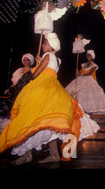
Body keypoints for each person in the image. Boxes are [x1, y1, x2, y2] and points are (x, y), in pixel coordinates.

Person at [0, 33, 99, 165]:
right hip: (55, 88)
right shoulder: (58, 60)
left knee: (30, 119)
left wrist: (38, 63)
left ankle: (26, 155)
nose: (42, 44)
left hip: (42, 87)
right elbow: (50, 70)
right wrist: (41, 62)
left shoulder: (48, 55)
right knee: (50, 123)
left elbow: (35, 75)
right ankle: (53, 154)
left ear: (50, 45)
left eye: (45, 43)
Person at [65, 50, 105, 114]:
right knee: (76, 91)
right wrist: (78, 72)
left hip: (89, 80)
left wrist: (80, 74)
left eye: (89, 55)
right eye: (87, 55)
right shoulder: (84, 65)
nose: (88, 57)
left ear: (92, 57)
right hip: (80, 80)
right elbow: (80, 73)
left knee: (87, 94)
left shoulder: (94, 65)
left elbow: (89, 73)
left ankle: (87, 109)